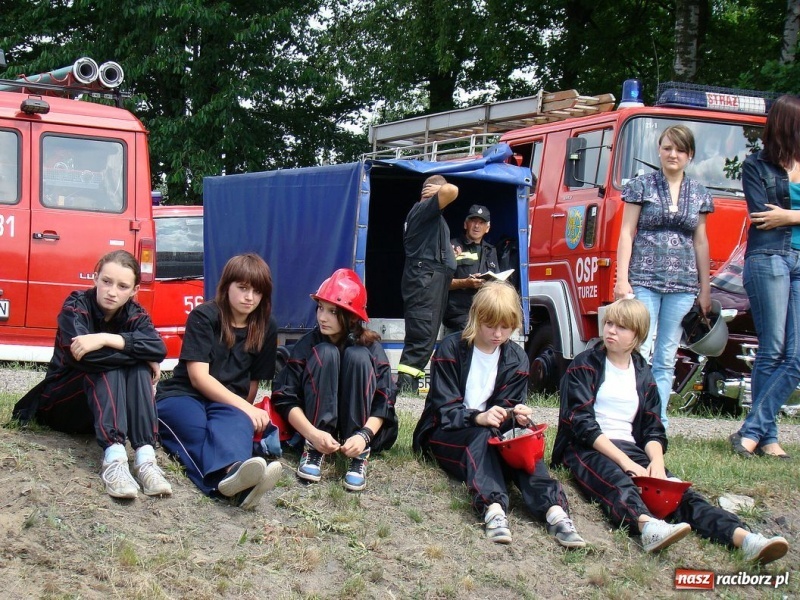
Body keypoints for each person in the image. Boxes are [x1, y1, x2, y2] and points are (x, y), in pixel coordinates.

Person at [553, 298, 789, 563]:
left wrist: (656, 462)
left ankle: (744, 538)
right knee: (617, 482)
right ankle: (648, 527)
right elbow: (580, 422)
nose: (610, 330)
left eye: (621, 327)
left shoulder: (643, 373)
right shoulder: (585, 365)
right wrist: (626, 462)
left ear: (637, 335)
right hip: (586, 448)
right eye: (609, 323)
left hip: (631, 449)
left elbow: (653, 428)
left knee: (682, 494)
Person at [413, 282, 586, 547]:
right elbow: (444, 409)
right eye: (490, 325)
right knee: (482, 437)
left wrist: (515, 414)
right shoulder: (451, 348)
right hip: (444, 432)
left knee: (522, 441)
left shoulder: (517, 358)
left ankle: (555, 511)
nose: (497, 333)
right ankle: (493, 508)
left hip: (492, 434)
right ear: (475, 318)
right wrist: (477, 417)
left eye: (505, 327)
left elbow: (507, 408)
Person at [13, 250, 172, 499]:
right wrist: (138, 352)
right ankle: (115, 459)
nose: (112, 291)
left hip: (102, 410)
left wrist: (105, 338)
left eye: (122, 286)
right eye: (106, 281)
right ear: (95, 278)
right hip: (61, 404)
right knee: (115, 366)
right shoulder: (75, 306)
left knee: (138, 367)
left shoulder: (134, 314)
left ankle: (145, 459)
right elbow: (85, 358)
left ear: (134, 290)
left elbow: (159, 348)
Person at [156, 253, 282, 510]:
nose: (249, 297)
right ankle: (226, 482)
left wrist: (242, 416)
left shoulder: (266, 326)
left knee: (234, 427)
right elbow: (198, 377)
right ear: (227, 286)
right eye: (243, 288)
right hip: (183, 394)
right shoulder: (204, 316)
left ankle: (236, 471)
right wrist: (247, 408)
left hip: (230, 401)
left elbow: (253, 382)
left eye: (257, 292)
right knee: (199, 429)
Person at [614, 124, 714, 429]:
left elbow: (701, 241)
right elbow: (626, 232)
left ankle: (658, 421)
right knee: (639, 347)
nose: (673, 154)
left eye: (680, 149)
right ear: (659, 150)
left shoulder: (699, 193)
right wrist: (621, 279)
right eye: (668, 148)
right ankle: (629, 414)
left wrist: (705, 289)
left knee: (667, 354)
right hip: (643, 279)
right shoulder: (640, 186)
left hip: (683, 285)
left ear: (690, 155)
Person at [271, 269, 398, 491]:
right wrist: (312, 434)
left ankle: (359, 457)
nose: (322, 317)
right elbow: (285, 397)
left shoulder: (370, 348)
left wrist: (364, 437)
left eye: (332, 311)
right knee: (326, 353)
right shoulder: (308, 345)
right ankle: (314, 450)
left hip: (361, 434)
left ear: (350, 316)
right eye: (320, 307)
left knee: (357, 356)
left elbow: (385, 400)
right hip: (314, 429)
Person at [730, 95, 800, 460]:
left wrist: (790, 216)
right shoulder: (756, 166)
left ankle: (751, 430)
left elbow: (778, 217)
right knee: (772, 349)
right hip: (769, 257)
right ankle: (767, 437)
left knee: (797, 354)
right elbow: (761, 216)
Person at [396, 175, 458, 395]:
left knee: (424, 339)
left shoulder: (431, 218)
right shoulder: (423, 210)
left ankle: (409, 389)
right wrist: (438, 191)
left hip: (431, 284)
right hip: (425, 286)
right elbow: (452, 190)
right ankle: (404, 392)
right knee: (420, 338)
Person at [442, 204, 499, 333]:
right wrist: (465, 283)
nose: (477, 226)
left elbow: (497, 280)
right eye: (473, 221)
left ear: (487, 228)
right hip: (458, 315)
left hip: (485, 314)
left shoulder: (491, 251)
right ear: (465, 224)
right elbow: (440, 282)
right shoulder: (451, 247)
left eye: (481, 222)